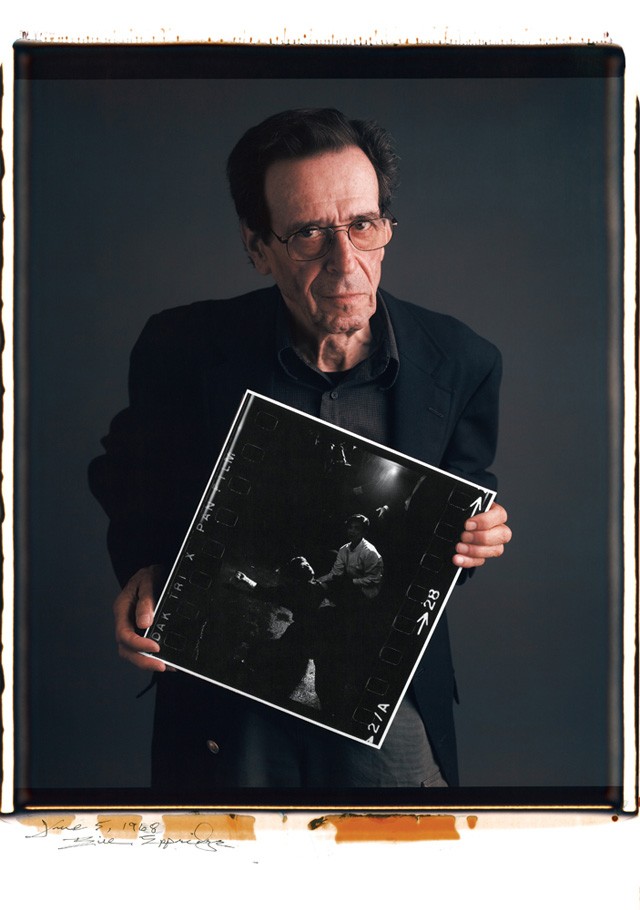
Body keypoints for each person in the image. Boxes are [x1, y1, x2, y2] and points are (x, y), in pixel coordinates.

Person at [89, 107, 512, 791]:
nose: (346, 264)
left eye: (364, 225)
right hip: (227, 698)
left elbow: (459, 503)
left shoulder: (463, 360)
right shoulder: (179, 349)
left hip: (385, 699)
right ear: (258, 248)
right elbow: (124, 470)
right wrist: (141, 567)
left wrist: (472, 539)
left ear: (386, 227)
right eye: (310, 234)